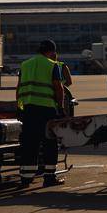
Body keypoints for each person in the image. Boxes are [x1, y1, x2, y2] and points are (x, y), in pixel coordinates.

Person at [16, 39, 69, 187]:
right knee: (49, 144)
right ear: (52, 52)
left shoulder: (25, 65)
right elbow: (59, 88)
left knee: (29, 144)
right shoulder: (52, 65)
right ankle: (49, 178)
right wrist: (60, 107)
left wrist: (20, 107)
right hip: (46, 110)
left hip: (28, 110)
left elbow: (19, 89)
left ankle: (26, 179)